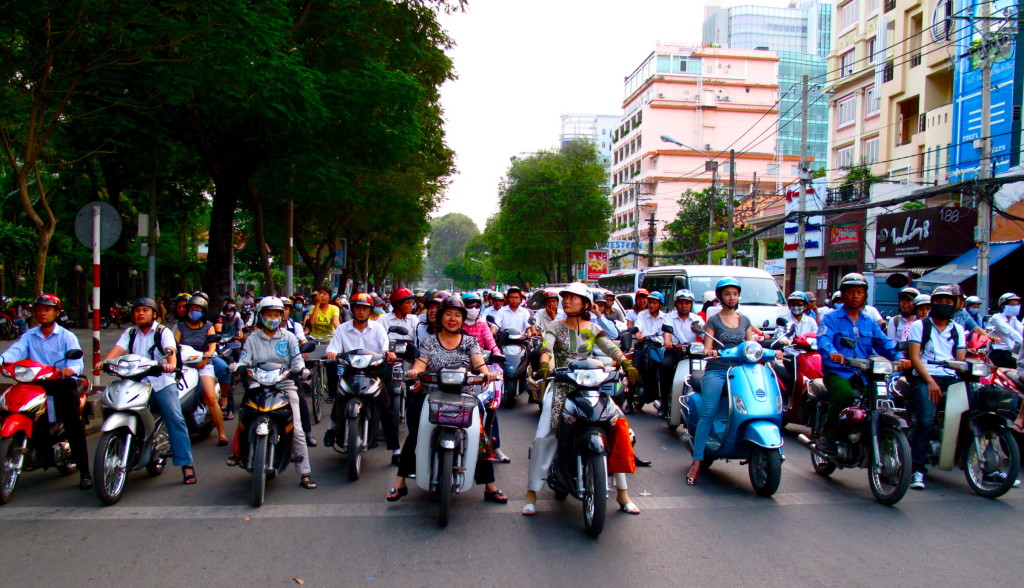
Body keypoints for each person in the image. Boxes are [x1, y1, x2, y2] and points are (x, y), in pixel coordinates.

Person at [524, 283, 642, 515]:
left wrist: (626, 363)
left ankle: (622, 494)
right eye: (565, 298)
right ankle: (531, 494)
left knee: (618, 430)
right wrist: (546, 365)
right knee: (543, 435)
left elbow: (609, 347)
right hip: (561, 385)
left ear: (585, 304)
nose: (566, 301)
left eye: (572, 298)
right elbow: (547, 348)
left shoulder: (592, 328)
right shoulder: (555, 327)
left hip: (591, 385)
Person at [386, 297, 507, 503]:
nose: (453, 319)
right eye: (448, 314)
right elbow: (421, 363)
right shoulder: (429, 342)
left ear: (462, 319)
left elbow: (478, 363)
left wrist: (486, 373)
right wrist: (416, 371)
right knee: (415, 432)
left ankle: (489, 486)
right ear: (441, 317)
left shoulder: (470, 341)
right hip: (431, 394)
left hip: (464, 395)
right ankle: (400, 482)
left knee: (479, 435)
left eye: (457, 315)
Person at [98, 297, 196, 485]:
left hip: (161, 382)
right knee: (112, 405)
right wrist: (104, 362)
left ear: (154, 314)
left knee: (175, 418)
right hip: (135, 382)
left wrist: (170, 365)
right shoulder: (131, 332)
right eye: (137, 310)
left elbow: (170, 351)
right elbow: (119, 348)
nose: (141, 313)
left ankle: (186, 464)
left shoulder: (163, 332)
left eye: (145, 310)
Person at [0, 294, 91, 489]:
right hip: (35, 383)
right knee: (9, 405)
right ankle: (37, 450)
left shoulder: (67, 336)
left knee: (73, 423)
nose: (42, 313)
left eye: (47, 309)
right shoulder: (29, 335)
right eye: (39, 309)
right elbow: (15, 351)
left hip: (61, 383)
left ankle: (85, 472)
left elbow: (77, 362)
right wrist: (1, 360)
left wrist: (70, 369)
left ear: (56, 313)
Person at [226, 296, 316, 490]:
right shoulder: (252, 339)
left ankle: (305, 472)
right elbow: (245, 359)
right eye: (269, 314)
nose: (272, 318)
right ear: (261, 315)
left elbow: (297, 359)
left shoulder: (289, 337)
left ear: (282, 316)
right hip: (258, 383)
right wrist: (239, 367)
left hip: (284, 385)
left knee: (298, 429)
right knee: (244, 416)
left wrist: (301, 370)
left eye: (277, 314)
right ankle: (237, 452)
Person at [815, 274, 907, 453]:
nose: (855, 296)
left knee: (882, 399)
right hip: (838, 372)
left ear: (865, 295)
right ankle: (828, 436)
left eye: (859, 292)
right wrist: (833, 353)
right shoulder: (831, 319)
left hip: (865, 374)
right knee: (844, 394)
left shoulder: (869, 322)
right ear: (843, 295)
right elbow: (823, 339)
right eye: (851, 292)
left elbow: (884, 343)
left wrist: (899, 357)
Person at [685, 278, 757, 485]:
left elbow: (750, 345)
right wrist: (712, 351)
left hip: (741, 372)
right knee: (708, 413)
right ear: (720, 297)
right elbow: (707, 347)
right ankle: (697, 461)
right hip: (717, 371)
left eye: (735, 293)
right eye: (727, 294)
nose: (732, 297)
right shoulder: (713, 321)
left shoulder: (745, 320)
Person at [324, 292, 401, 464]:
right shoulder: (342, 329)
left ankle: (396, 449)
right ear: (352, 309)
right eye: (358, 308)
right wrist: (331, 353)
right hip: (350, 372)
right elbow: (333, 348)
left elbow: (385, 348)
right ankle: (332, 427)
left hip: (373, 373)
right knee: (340, 394)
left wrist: (389, 354)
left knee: (386, 408)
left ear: (370, 310)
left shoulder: (378, 329)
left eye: (365, 309)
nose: (361, 312)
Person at [905, 286, 966, 490]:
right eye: (940, 301)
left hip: (951, 377)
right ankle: (917, 469)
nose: (945, 305)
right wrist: (930, 381)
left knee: (972, 413)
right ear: (932, 304)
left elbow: (960, 360)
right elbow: (914, 357)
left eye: (949, 302)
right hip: (924, 377)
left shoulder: (957, 329)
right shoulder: (920, 326)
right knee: (926, 420)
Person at [171, 295, 228, 446]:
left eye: (197, 309)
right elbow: (174, 345)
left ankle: (221, 433)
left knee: (210, 397)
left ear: (203, 311)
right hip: (184, 365)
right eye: (191, 309)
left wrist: (206, 355)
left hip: (203, 364)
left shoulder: (208, 325)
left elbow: (212, 344)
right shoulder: (181, 326)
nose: (193, 312)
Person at [461, 292, 509, 463]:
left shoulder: (482, 325)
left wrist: (497, 354)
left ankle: (494, 447)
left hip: (482, 371)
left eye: (476, 306)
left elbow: (491, 342)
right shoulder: (456, 324)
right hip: (458, 371)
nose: (473, 309)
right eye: (469, 305)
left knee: (490, 408)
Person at [660, 289, 701, 418]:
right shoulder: (669, 317)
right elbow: (667, 333)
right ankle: (664, 404)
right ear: (676, 303)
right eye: (681, 303)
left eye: (687, 303)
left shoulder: (697, 320)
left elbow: (705, 334)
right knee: (665, 369)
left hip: (694, 354)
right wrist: (668, 341)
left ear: (691, 304)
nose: (684, 306)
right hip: (675, 352)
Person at [633, 290, 667, 412]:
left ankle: (664, 399)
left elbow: (667, 333)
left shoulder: (665, 318)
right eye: (650, 303)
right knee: (634, 369)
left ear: (660, 305)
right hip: (643, 345)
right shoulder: (642, 315)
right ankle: (629, 399)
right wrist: (639, 334)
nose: (651, 305)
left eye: (654, 303)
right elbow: (638, 328)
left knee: (666, 367)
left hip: (658, 347)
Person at [214, 302, 245, 420]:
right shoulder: (221, 320)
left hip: (234, 343)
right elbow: (218, 332)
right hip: (222, 346)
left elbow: (240, 333)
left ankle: (239, 368)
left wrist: (236, 336)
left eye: (230, 311)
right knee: (224, 371)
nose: (228, 313)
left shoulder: (238, 320)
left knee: (238, 353)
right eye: (226, 311)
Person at [989, 292, 1023, 368]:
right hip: (997, 354)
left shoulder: (1013, 319)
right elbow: (1010, 332)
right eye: (1013, 305)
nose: (1016, 307)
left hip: (1008, 353)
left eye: (1017, 304)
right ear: (1003, 306)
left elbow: (1022, 330)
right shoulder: (996, 318)